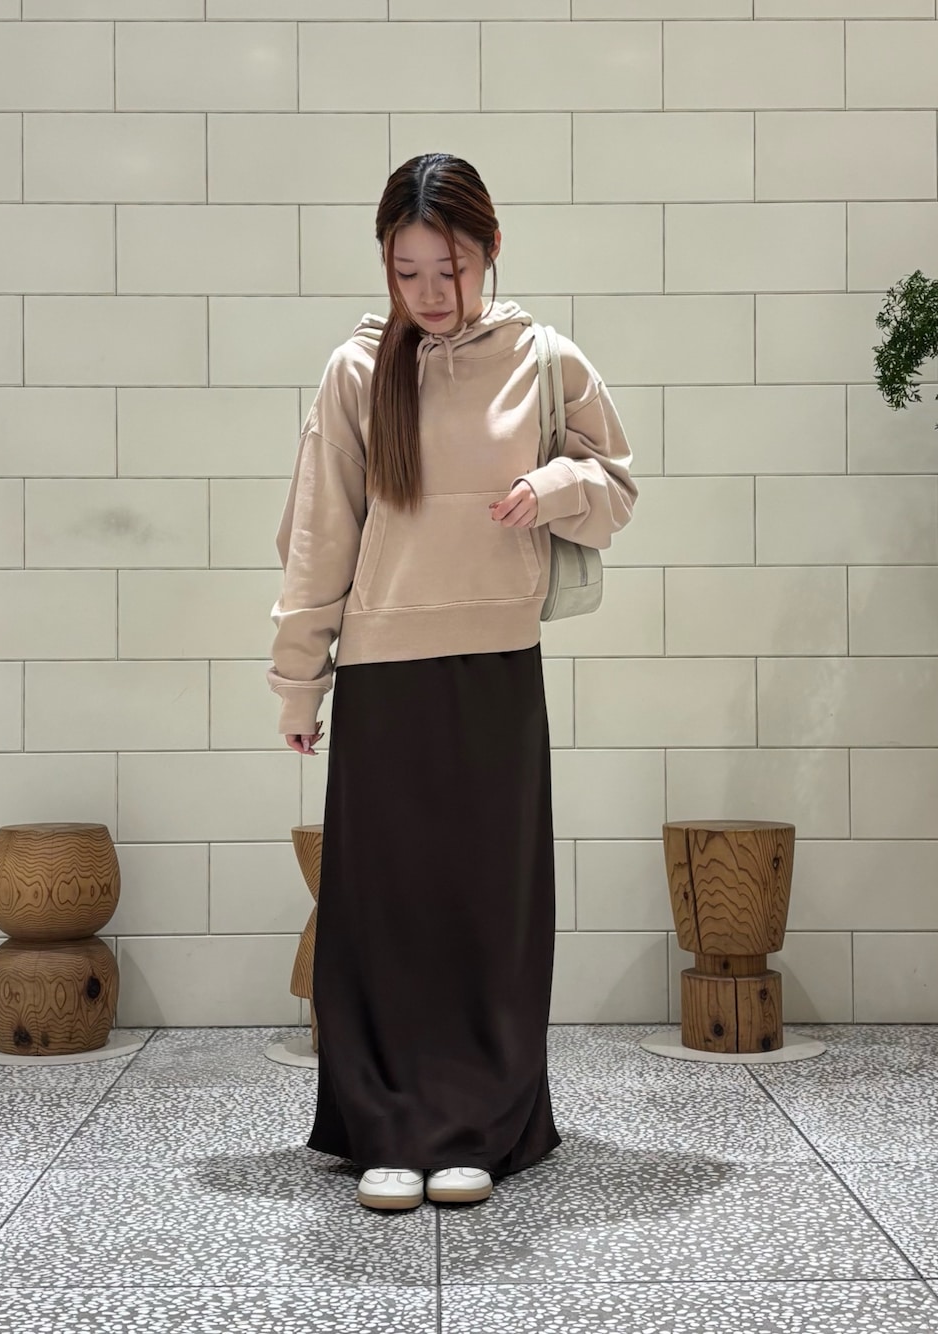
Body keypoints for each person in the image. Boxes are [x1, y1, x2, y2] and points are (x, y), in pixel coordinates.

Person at [267, 153, 638, 1212]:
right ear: (385, 265)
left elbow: (615, 489)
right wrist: (299, 682)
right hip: (383, 673)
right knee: (386, 912)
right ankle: (388, 1122)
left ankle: (479, 1121)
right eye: (408, 271)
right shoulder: (355, 369)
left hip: (496, 667)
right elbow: (319, 537)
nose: (431, 293)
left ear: (492, 248)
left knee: (487, 909)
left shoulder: (544, 359)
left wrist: (552, 484)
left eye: (452, 267)